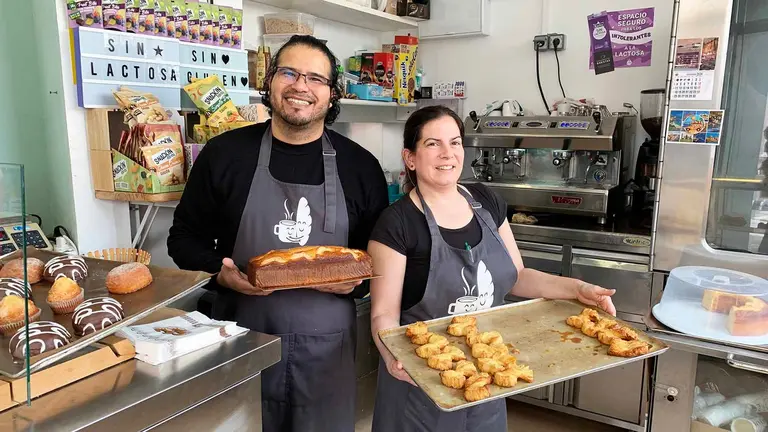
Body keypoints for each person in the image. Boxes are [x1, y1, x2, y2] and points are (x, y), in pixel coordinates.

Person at [167, 35, 389, 432]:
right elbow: (182, 239)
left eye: (316, 78)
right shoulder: (224, 155)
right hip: (241, 341)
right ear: (269, 81)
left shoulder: (360, 167)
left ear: (333, 93)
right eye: (289, 72)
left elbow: (378, 260)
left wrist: (356, 285)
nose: (301, 86)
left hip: (327, 355)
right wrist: (220, 271)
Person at [368, 106, 617, 431]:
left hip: (486, 375)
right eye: (433, 144)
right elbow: (383, 313)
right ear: (410, 158)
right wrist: (391, 357)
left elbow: (517, 276)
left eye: (455, 142)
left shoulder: (485, 201)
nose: (447, 153)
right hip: (421, 386)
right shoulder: (396, 224)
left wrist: (578, 289)